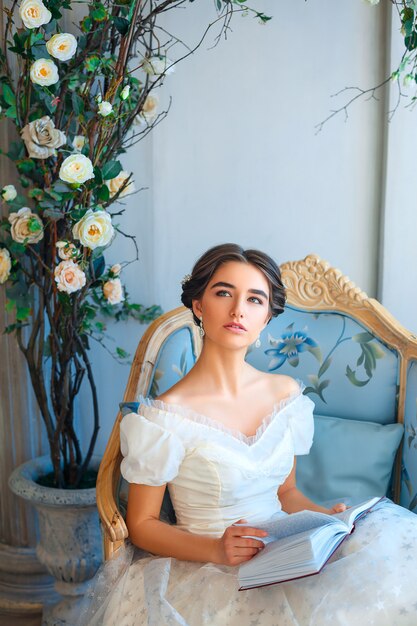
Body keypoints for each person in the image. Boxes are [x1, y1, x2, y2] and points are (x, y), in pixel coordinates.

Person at [79, 243, 417, 626]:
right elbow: (141, 526)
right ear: (199, 306)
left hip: (282, 555)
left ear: (267, 319)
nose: (238, 309)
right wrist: (216, 550)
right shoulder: (163, 417)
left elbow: (286, 493)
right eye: (224, 292)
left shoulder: (286, 395)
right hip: (205, 569)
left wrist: (325, 517)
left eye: (255, 300)